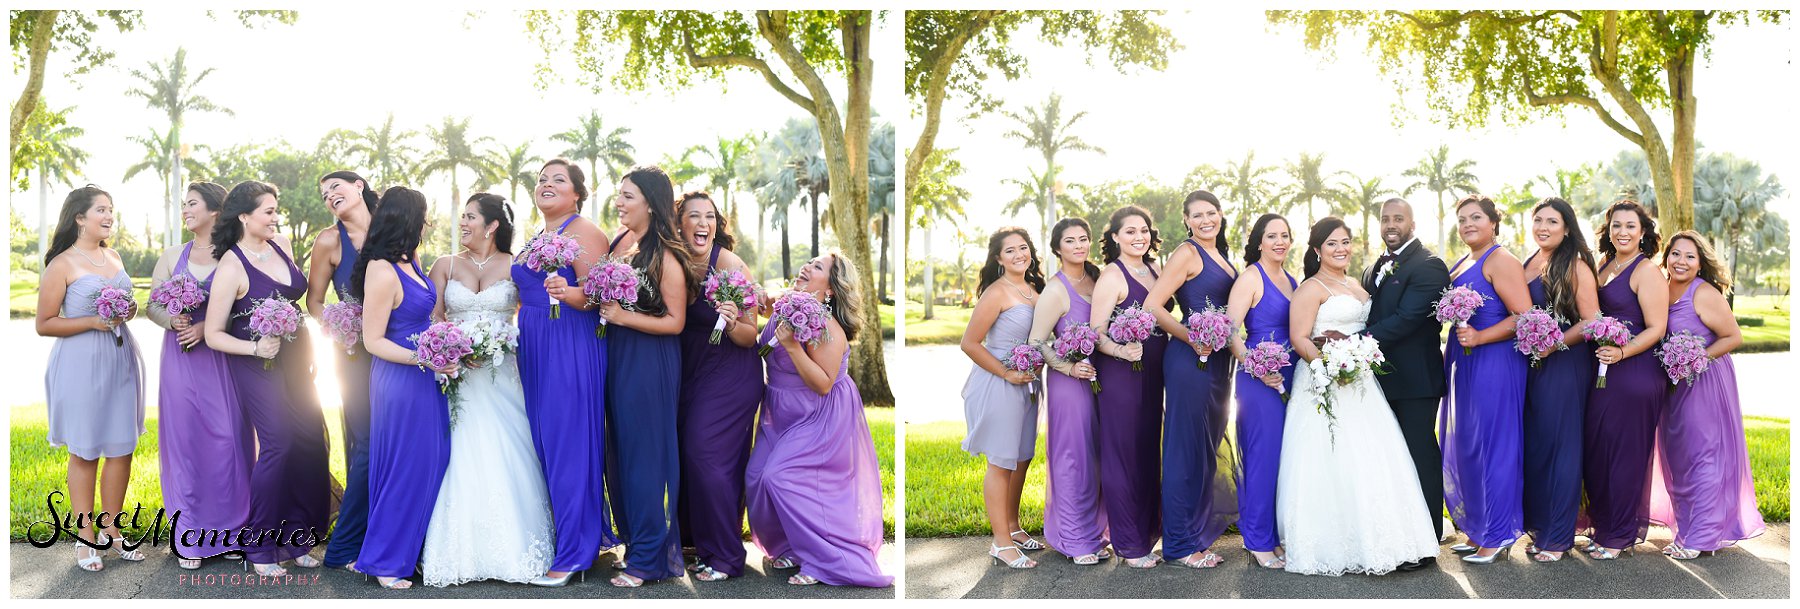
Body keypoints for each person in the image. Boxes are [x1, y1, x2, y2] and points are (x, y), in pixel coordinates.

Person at [1276, 217, 1439, 576]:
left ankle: (1392, 539)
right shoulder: (1311, 288)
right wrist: (1328, 367)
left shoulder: (1357, 282)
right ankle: (1336, 541)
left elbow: (1369, 328)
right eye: (1332, 243)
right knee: (1333, 457)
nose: (1341, 249)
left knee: (1376, 456)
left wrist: (1352, 360)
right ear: (1317, 250)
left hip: (1363, 381)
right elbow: (1300, 337)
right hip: (1327, 380)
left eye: (1345, 242)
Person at [202, 181, 331, 577]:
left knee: (310, 439)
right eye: (268, 211)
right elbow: (213, 334)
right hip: (257, 361)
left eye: (277, 210)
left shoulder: (283, 246)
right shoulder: (231, 265)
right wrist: (256, 349)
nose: (276, 218)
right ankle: (258, 544)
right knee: (279, 442)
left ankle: (298, 536)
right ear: (244, 216)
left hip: (296, 353)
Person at [745, 253, 893, 587]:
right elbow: (765, 314)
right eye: (808, 262)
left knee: (781, 476)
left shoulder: (827, 327)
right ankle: (790, 547)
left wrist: (793, 348)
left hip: (818, 413)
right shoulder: (786, 305)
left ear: (829, 290)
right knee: (756, 477)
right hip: (779, 410)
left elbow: (824, 384)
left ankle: (823, 560)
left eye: (817, 267)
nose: (806, 268)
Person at [513, 159, 618, 586]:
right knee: (545, 444)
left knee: (569, 445)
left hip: (570, 345)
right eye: (542, 180)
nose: (547, 185)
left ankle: (574, 554)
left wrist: (567, 292)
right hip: (536, 346)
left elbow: (598, 296)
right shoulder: (539, 236)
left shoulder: (585, 231)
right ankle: (571, 537)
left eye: (558, 180)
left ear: (577, 193)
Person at [37, 185, 147, 572]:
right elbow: (44, 324)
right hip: (81, 363)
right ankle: (85, 538)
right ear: (79, 217)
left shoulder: (113, 256)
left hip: (121, 360)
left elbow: (125, 308)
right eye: (101, 209)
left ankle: (112, 531)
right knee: (85, 450)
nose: (109, 216)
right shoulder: (62, 264)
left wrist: (128, 309)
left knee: (122, 447)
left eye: (111, 209)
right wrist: (93, 321)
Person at [351, 187, 454, 590]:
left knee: (431, 458)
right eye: (423, 216)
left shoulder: (410, 260)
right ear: (408, 220)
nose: (427, 224)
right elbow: (373, 339)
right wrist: (425, 359)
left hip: (427, 375)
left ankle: (403, 550)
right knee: (405, 465)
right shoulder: (380, 268)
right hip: (400, 378)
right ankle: (385, 561)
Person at [147, 182, 251, 568]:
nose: (185, 210)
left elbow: (245, 307)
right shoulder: (172, 256)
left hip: (223, 362)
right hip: (181, 361)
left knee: (230, 442)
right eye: (183, 204)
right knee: (185, 445)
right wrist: (172, 319)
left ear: (213, 211)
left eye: (191, 204)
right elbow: (152, 306)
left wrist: (206, 325)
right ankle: (189, 537)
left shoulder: (235, 256)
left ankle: (232, 534)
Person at [600, 165, 694, 587]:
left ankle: (649, 560)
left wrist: (623, 315)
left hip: (650, 361)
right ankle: (637, 544)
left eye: (628, 196)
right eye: (619, 195)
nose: (619, 202)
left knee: (644, 458)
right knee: (621, 452)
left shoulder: (666, 256)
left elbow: (675, 322)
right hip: (620, 355)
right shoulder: (624, 244)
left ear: (651, 205)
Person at [1648, 231, 1766, 559]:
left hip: (1705, 381)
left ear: (1700, 263)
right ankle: (1685, 530)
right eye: (1675, 254)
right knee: (1678, 458)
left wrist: (1696, 358)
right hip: (1672, 385)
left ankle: (1701, 537)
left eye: (1689, 256)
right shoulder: (1661, 288)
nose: (1681, 262)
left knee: (1704, 457)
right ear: (1666, 257)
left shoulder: (1705, 293)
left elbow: (1732, 336)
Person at [1353, 197, 1451, 570]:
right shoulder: (1376, 264)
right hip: (1379, 379)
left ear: (1412, 222)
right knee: (1391, 459)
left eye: (1398, 218)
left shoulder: (1429, 265)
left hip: (1415, 381)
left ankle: (1427, 542)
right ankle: (1398, 535)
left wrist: (1351, 341)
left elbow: (1407, 319)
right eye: (1385, 219)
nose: (1390, 224)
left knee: (1420, 455)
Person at [672, 191, 763, 582]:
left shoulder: (727, 264)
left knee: (706, 455)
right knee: (690, 458)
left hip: (730, 373)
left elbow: (751, 335)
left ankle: (726, 556)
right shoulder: (673, 261)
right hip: (691, 373)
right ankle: (699, 546)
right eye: (695, 216)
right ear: (680, 224)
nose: (704, 223)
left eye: (710, 216)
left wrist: (730, 319)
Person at [1144, 191, 1238, 569]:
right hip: (1189, 360)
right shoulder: (1187, 253)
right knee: (1185, 449)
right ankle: (1180, 545)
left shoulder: (1220, 255)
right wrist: (1192, 337)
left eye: (1210, 213)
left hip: (1217, 363)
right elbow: (1153, 306)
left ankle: (1194, 533)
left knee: (1204, 449)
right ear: (1186, 220)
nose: (1205, 220)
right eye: (1197, 215)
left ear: (1220, 215)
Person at [1439, 195, 1531, 563]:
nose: (1467, 225)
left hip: (1495, 361)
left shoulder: (1502, 260)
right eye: (1461, 220)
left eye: (1475, 217)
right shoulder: (1464, 261)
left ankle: (1498, 534)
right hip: (1466, 359)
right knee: (1471, 445)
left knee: (1495, 445)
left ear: (1493, 222)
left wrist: (1480, 336)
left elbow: (1524, 316)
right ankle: (1478, 530)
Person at [1583, 199, 1668, 560]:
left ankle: (1618, 536)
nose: (1623, 232)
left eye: (1631, 226)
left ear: (1643, 232)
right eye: (1616, 225)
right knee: (1600, 450)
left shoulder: (1645, 270)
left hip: (1634, 373)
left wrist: (1621, 352)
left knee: (1624, 454)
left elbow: (1657, 328)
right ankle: (1604, 526)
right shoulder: (1605, 265)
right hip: (1603, 373)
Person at [306, 170, 380, 571]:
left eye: (336, 187)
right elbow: (314, 301)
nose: (330, 195)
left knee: (393, 439)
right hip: (352, 352)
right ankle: (349, 543)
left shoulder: (392, 231)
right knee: (364, 441)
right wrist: (340, 323)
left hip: (395, 348)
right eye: (324, 194)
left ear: (360, 187)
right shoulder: (329, 241)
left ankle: (386, 531)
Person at [960, 227, 1046, 569]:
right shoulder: (996, 293)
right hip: (999, 384)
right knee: (1001, 462)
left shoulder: (1033, 290)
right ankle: (1001, 544)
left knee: (1022, 457)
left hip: (1028, 386)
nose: (1018, 255)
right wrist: (1007, 372)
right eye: (1010, 251)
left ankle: (1013, 527)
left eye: (1023, 248)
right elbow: (970, 343)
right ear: (998, 258)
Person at [1519, 198, 1598, 562]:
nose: (1543, 227)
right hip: (1533, 363)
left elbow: (1592, 320)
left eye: (1552, 221)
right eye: (1538, 220)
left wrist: (1553, 345)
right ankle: (1540, 526)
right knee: (1537, 445)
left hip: (1565, 364)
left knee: (1561, 447)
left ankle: (1558, 537)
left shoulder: (1575, 265)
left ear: (1567, 227)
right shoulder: (1529, 261)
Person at [1027, 218, 1111, 565]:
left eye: (1083, 239)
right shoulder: (1056, 290)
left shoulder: (1100, 278)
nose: (1079, 245)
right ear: (1057, 248)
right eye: (1070, 241)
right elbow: (1036, 341)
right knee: (1072, 457)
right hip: (1069, 382)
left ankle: (1094, 532)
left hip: (1103, 379)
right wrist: (1069, 366)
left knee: (1097, 458)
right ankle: (1074, 539)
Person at [1088, 205, 1167, 568]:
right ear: (1115, 237)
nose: (1139, 237)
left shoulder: (1155, 270)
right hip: (1121, 376)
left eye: (1144, 230)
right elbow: (1095, 333)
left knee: (1148, 454)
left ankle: (1149, 534)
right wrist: (1120, 350)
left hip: (1153, 373)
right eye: (1130, 231)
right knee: (1123, 458)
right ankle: (1129, 545)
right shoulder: (1111, 276)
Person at [1225, 213, 1298, 569]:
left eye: (1285, 235)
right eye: (1272, 236)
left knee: (1282, 458)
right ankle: (1257, 540)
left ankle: (1270, 533)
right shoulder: (1251, 278)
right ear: (1258, 242)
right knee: (1262, 457)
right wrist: (1258, 366)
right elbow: (1229, 331)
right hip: (1258, 380)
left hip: (1291, 375)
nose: (1280, 242)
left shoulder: (1291, 278)